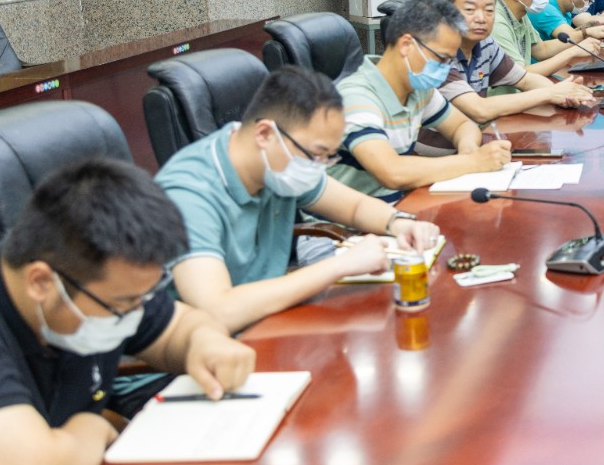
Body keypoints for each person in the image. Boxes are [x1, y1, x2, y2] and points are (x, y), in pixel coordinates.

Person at [0, 159, 256, 465]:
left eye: (142, 298)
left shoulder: (93, 289)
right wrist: (94, 427)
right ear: (40, 282)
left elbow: (179, 326)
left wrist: (206, 341)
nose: (134, 314)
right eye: (124, 304)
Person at [154, 66, 443, 335]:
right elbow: (218, 311)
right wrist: (341, 265)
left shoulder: (275, 160)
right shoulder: (190, 192)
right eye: (316, 154)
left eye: (327, 157)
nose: (318, 166)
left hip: (271, 320)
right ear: (264, 133)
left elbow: (355, 207)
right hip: (209, 349)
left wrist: (400, 223)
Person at [328, 0, 512, 199]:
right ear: (406, 45)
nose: (445, 69)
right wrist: (473, 162)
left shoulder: (418, 88)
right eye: (441, 59)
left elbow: (462, 125)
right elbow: (392, 172)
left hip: (398, 208)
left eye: (449, 61)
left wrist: (468, 148)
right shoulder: (357, 97)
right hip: (353, 218)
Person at [435, 0, 596, 117]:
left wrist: (563, 93)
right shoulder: (436, 55)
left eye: (489, 10)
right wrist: (551, 94)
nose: (481, 18)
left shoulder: (485, 45)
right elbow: (479, 109)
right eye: (470, 10)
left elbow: (524, 79)